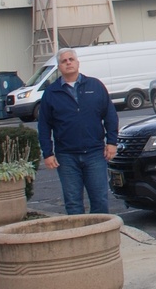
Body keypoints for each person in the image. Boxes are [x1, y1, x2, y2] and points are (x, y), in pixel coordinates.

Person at [38, 48, 119, 215]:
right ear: (59, 67)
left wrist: (112, 142)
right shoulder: (51, 93)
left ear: (77, 63)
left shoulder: (95, 86)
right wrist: (48, 153)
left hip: (95, 153)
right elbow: (44, 125)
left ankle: (100, 238)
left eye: (71, 59)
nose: (68, 62)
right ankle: (80, 238)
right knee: (73, 203)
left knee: (100, 201)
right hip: (67, 157)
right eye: (63, 61)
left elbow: (110, 115)